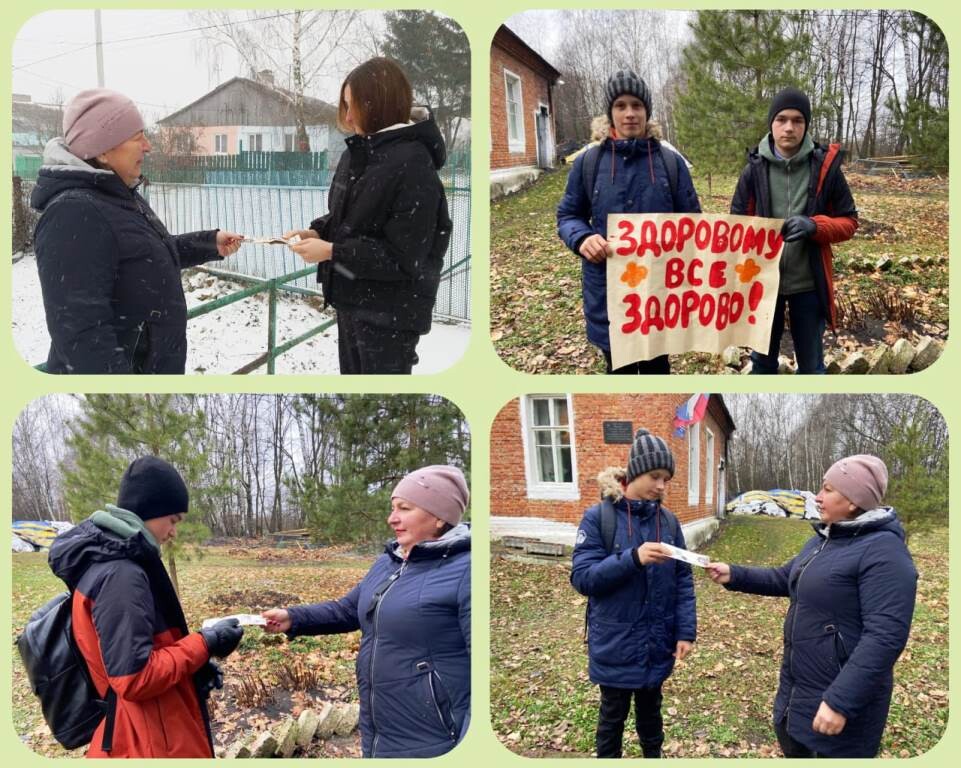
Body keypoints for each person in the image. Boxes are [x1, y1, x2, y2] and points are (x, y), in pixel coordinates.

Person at [706, 455, 917, 758]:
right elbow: (785, 578)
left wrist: (840, 702)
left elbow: (885, 637)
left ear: (854, 501)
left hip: (838, 709)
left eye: (828, 489)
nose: (817, 497)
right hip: (799, 694)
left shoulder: (885, 553)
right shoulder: (826, 538)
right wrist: (734, 573)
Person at [262, 465, 470, 757]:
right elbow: (349, 610)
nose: (392, 518)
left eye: (404, 508)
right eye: (392, 508)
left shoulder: (465, 570)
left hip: (433, 737)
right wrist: (293, 617)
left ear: (439, 517)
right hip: (381, 728)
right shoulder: (391, 561)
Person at [30, 88, 243, 374]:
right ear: (103, 151)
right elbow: (81, 336)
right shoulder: (74, 212)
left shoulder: (114, 194)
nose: (147, 146)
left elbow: (145, 255)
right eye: (136, 137)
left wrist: (208, 243)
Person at [47, 456, 244, 758]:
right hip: (150, 738)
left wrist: (194, 668)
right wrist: (205, 642)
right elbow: (134, 678)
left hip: (148, 724)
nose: (174, 531)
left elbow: (142, 648)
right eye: (173, 519)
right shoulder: (121, 573)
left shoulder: (112, 558)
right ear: (150, 510)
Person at [284, 57, 452, 375]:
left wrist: (333, 251)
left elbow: (405, 258)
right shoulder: (360, 152)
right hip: (352, 301)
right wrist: (319, 232)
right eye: (345, 106)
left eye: (353, 107)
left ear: (378, 105)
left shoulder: (413, 164)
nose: (347, 118)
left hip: (389, 314)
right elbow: (349, 217)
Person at [557, 70, 702, 375]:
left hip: (660, 296)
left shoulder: (671, 163)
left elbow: (694, 226)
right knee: (618, 374)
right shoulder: (589, 163)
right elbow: (568, 215)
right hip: (609, 298)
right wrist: (583, 239)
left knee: (657, 370)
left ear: (647, 111)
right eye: (621, 105)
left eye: (636, 105)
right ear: (610, 113)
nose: (630, 114)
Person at [571, 429, 696, 758]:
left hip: (658, 643)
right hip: (615, 643)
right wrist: (633, 558)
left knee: (652, 716)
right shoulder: (599, 517)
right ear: (635, 471)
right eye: (656, 476)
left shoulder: (668, 521)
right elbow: (583, 578)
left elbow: (683, 578)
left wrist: (685, 631)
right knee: (611, 718)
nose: (661, 486)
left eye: (666, 479)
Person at [730, 87, 859, 374]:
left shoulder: (826, 168)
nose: (789, 127)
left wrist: (815, 226)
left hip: (808, 284)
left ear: (806, 125)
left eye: (798, 120)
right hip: (763, 286)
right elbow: (736, 226)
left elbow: (850, 221)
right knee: (762, 364)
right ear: (771, 124)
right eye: (782, 119)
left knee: (812, 367)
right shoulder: (753, 169)